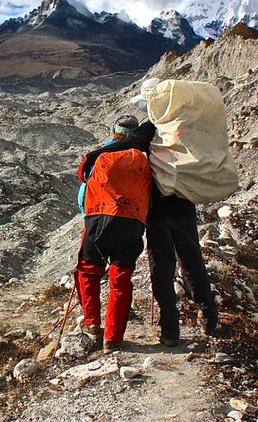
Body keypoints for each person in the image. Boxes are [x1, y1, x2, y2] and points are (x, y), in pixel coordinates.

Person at [80, 79, 219, 347]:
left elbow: (126, 147)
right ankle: (209, 316)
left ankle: (169, 330)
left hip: (155, 212)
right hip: (184, 205)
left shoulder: (150, 130)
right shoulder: (182, 127)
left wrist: (94, 156)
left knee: (162, 269)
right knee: (192, 262)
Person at [75, 114, 150, 353]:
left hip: (98, 220)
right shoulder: (144, 157)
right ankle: (113, 338)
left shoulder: (102, 155)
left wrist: (87, 216)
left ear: (114, 131)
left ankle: (92, 323)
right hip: (132, 223)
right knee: (121, 278)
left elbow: (83, 191)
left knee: (88, 271)